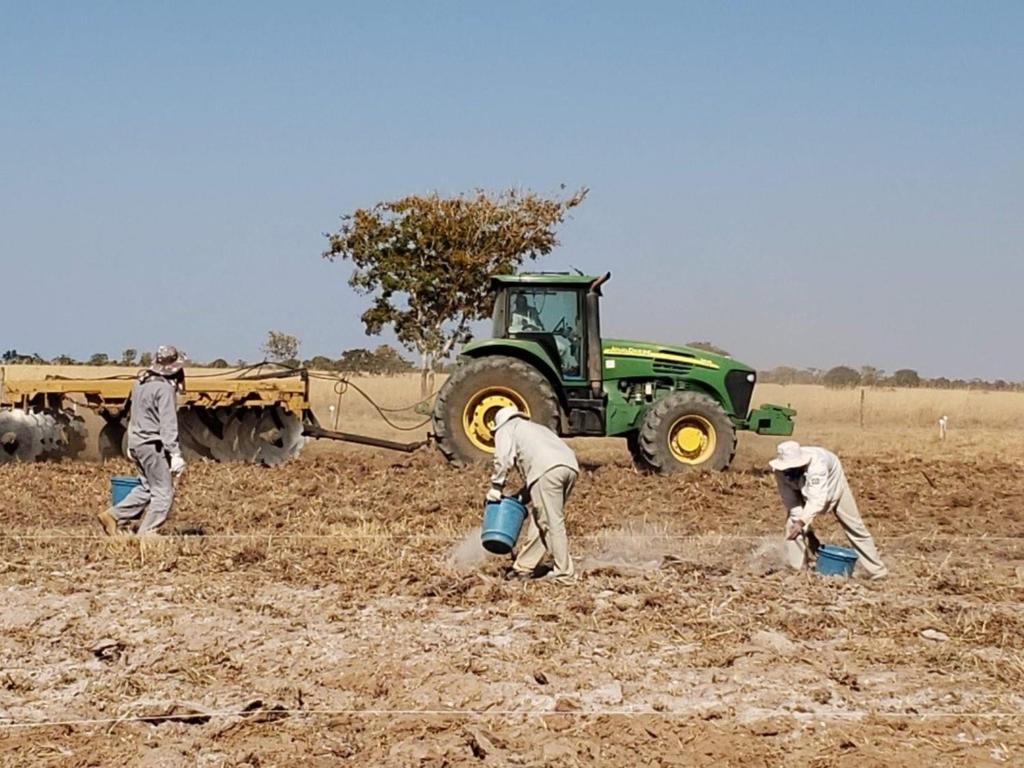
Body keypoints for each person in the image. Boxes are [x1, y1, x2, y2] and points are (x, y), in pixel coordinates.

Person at [96, 346, 187, 536]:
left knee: (147, 487)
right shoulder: (164, 389)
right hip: (152, 445)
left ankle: (113, 515)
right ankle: (147, 534)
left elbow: (133, 413)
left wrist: (131, 442)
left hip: (136, 442)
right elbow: (168, 423)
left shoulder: (140, 382)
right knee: (163, 492)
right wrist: (175, 453)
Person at [487, 406, 580, 585]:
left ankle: (565, 575)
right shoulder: (535, 428)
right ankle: (524, 567)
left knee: (552, 523)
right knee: (542, 520)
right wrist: (520, 497)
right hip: (569, 467)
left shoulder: (506, 429)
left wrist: (496, 487)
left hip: (547, 470)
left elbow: (503, 459)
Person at [769, 440, 888, 580]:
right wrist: (800, 525)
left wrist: (802, 523)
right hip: (804, 489)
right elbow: (790, 500)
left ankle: (877, 571)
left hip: (833, 484)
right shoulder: (780, 472)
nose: (788, 471)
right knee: (791, 525)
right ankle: (796, 569)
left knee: (854, 526)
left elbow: (817, 500)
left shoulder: (817, 466)